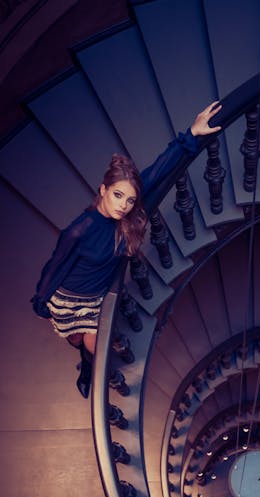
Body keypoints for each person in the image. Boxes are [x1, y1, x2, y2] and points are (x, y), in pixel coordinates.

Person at [31, 101, 222, 398]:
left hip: (94, 299)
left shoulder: (125, 212)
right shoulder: (78, 231)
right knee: (76, 340)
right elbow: (56, 265)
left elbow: (159, 169)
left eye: (130, 200)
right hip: (69, 295)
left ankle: (87, 372)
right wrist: (41, 301)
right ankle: (83, 362)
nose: (123, 205)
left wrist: (192, 134)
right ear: (103, 190)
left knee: (94, 344)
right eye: (117, 195)